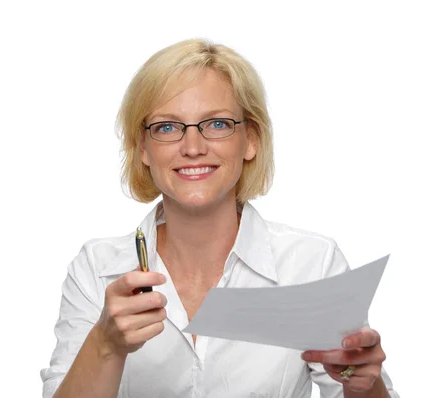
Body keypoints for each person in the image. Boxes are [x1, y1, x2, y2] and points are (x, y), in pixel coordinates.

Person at [40, 38, 399, 398]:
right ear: (143, 148)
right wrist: (106, 344)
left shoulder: (311, 264)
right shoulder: (95, 269)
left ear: (251, 139)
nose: (193, 148)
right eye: (167, 127)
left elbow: (355, 374)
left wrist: (363, 381)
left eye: (216, 124)